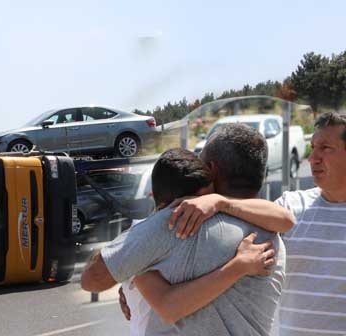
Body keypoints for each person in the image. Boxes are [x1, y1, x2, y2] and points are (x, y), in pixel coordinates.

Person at [81, 123, 288, 335]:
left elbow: (92, 279)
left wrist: (132, 264)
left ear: (211, 168)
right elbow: (287, 219)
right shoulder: (273, 235)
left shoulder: (179, 221)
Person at [117, 148, 279, 335]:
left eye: (208, 205)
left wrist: (219, 202)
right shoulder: (140, 240)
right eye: (195, 210)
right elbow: (170, 307)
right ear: (168, 207)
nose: (207, 215)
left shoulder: (200, 231)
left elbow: (285, 218)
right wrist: (239, 266)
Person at [274, 112, 346, 335]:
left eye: (325, 148)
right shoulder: (290, 205)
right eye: (313, 147)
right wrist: (218, 202)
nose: (312, 158)